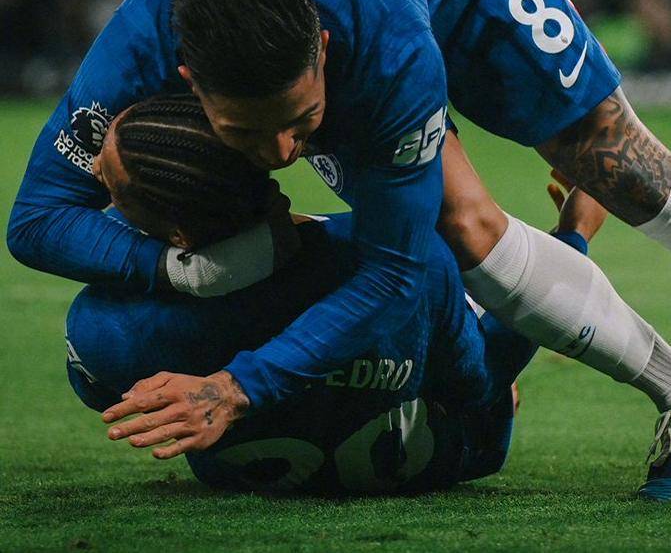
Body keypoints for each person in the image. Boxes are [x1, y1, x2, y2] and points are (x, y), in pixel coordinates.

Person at [7, 0, 671, 498]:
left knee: (594, 158)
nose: (281, 154)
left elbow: (396, 273)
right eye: (244, 131)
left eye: (301, 121)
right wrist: (186, 270)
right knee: (459, 229)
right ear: (187, 80)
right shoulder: (141, 42)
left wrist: (239, 385)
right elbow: (37, 217)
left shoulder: (384, 48)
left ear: (323, 53)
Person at [68, 94, 598, 495]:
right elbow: (480, 383)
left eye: (111, 186)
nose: (93, 173)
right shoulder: (401, 258)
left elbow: (101, 392)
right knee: (474, 312)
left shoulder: (106, 326)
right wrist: (572, 237)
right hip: (445, 459)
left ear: (178, 236)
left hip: (252, 482)